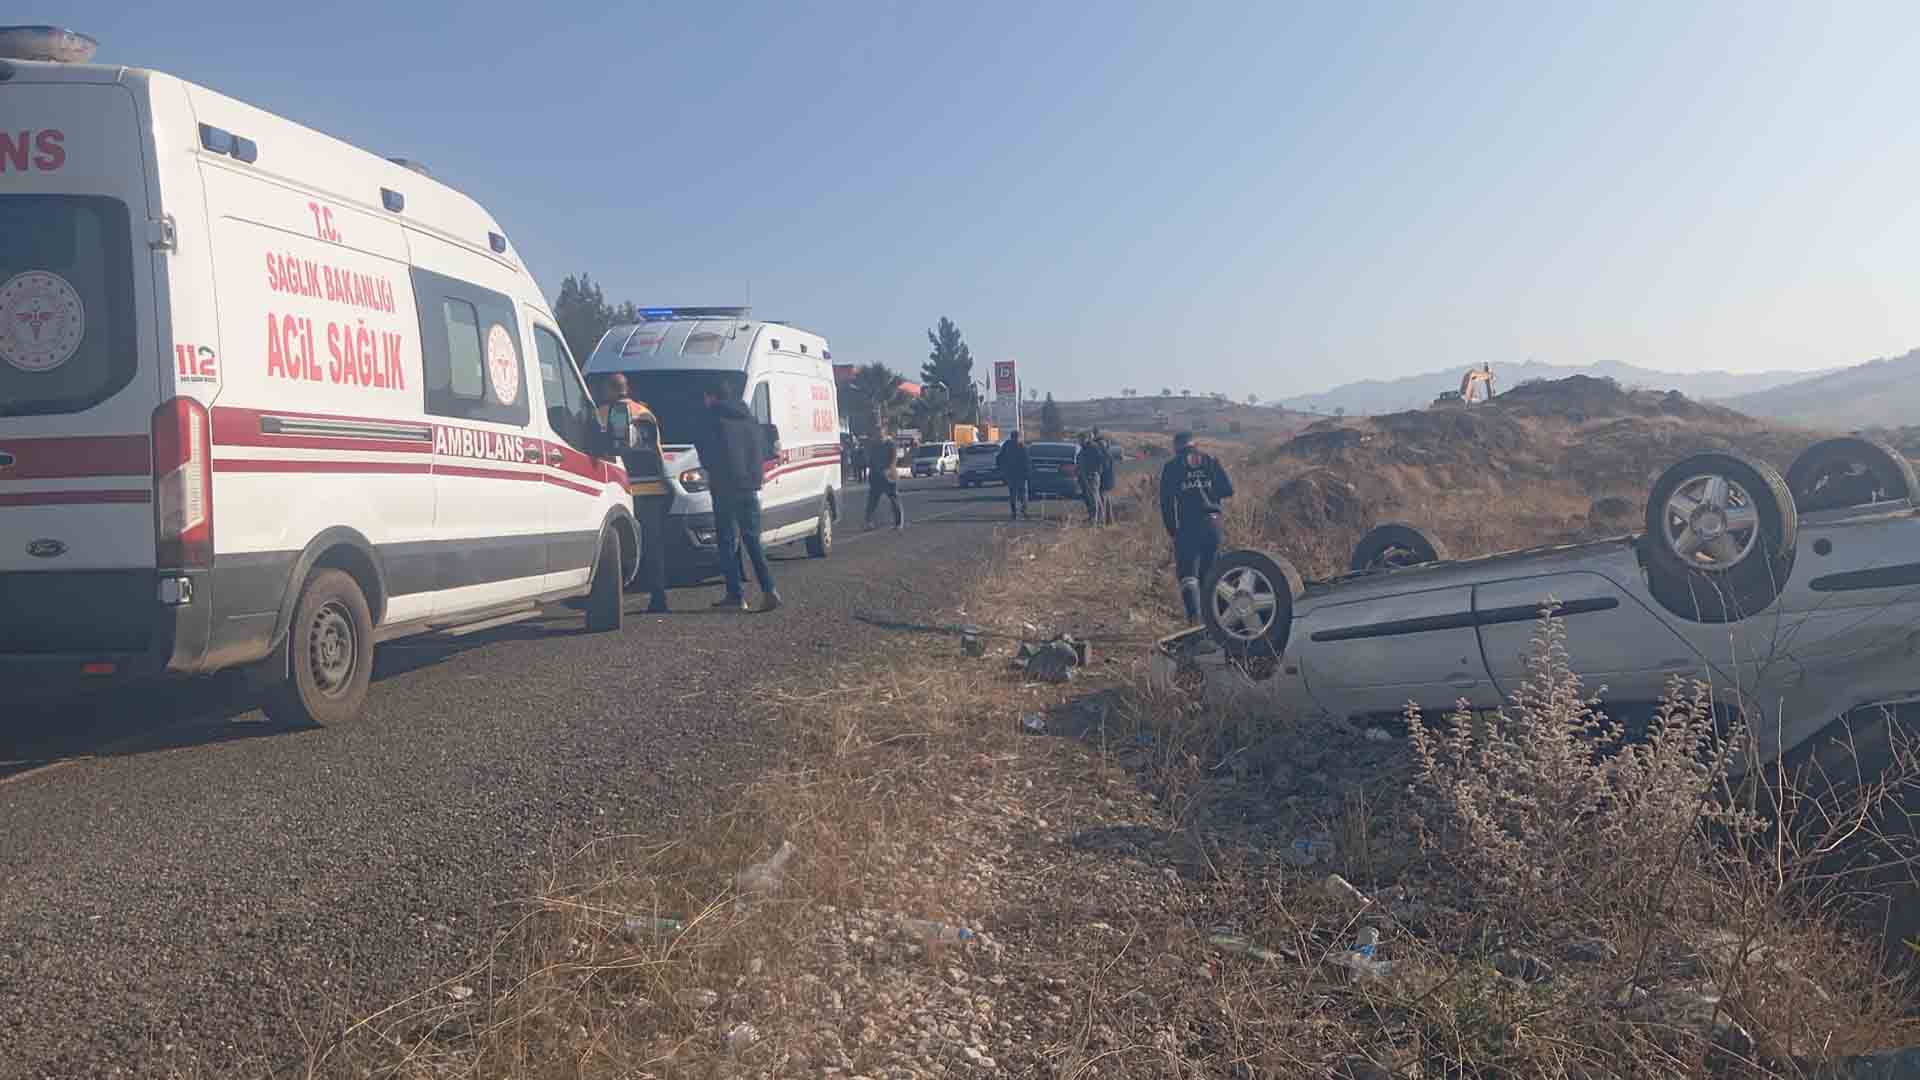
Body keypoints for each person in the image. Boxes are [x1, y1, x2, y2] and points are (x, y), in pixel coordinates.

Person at [693, 386, 782, 612]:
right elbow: (764, 449)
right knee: (752, 540)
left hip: (724, 487)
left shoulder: (713, 417)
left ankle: (735, 595)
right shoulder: (750, 419)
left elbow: (705, 452)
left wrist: (712, 470)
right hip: (750, 487)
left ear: (712, 396)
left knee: (726, 541)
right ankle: (769, 589)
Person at [594, 373, 670, 613]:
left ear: (609, 390)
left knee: (614, 545)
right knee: (654, 545)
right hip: (653, 487)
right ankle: (659, 598)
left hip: (621, 487)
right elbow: (658, 451)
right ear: (627, 388)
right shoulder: (646, 413)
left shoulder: (601, 414)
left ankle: (611, 599)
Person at [1159, 431, 1234, 624]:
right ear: (1194, 443)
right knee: (1210, 575)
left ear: (1176, 446)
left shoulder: (1172, 467)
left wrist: (1173, 531)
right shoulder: (1210, 460)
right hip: (1213, 524)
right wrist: (1207, 494)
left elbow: (1166, 503)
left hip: (1188, 525)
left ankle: (1195, 621)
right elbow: (1228, 489)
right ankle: (1218, 622)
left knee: (1187, 575)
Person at [864, 433, 904, 530]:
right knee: (872, 501)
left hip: (889, 475)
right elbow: (870, 460)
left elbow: (894, 458)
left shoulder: (891, 444)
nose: (878, 433)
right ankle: (868, 522)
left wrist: (889, 469)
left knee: (894, 499)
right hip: (876, 476)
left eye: (880, 430)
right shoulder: (873, 444)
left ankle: (898, 523)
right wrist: (872, 471)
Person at [998, 430, 1032, 520]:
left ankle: (1015, 513)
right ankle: (1023, 511)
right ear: (1018, 437)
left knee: (1014, 494)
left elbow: (999, 458)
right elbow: (1027, 461)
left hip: (1011, 474)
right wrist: (1028, 473)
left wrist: (1002, 470)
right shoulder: (1022, 446)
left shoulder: (1006, 445)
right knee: (1022, 493)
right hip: (1019, 474)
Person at [1075, 433, 1108, 525]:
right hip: (1084, 477)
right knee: (1090, 498)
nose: (1079, 441)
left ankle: (1097, 519)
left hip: (1092, 476)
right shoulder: (1083, 449)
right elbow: (1080, 462)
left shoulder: (1093, 448)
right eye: (1079, 439)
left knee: (1094, 498)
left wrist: (1094, 472)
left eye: (1081, 439)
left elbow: (1100, 461)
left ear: (1086, 439)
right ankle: (1093, 517)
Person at [1097, 432, 1118, 525]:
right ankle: (1109, 521)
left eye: (1100, 443)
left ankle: (1103, 520)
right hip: (1107, 480)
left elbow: (1103, 468)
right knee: (1106, 500)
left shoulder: (1104, 454)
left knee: (1102, 500)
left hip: (1104, 480)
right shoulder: (1107, 453)